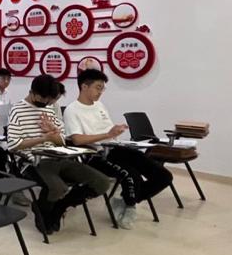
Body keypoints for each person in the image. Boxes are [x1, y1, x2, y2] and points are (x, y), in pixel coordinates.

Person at [64, 68, 173, 229]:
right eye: (98, 88)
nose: (100, 92)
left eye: (103, 88)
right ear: (84, 86)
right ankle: (130, 206)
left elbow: (107, 131)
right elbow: (77, 139)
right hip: (96, 155)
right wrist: (107, 134)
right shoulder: (72, 110)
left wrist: (115, 131)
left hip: (115, 147)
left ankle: (125, 199)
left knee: (164, 176)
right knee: (132, 176)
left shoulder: (100, 106)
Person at [8, 74, 114, 234]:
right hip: (33, 161)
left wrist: (54, 133)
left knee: (102, 182)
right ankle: (43, 209)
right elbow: (13, 145)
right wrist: (43, 138)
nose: (46, 103)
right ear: (33, 92)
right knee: (58, 188)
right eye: (43, 99)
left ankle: (60, 207)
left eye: (49, 100)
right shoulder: (17, 110)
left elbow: (62, 141)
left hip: (59, 157)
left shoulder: (49, 108)